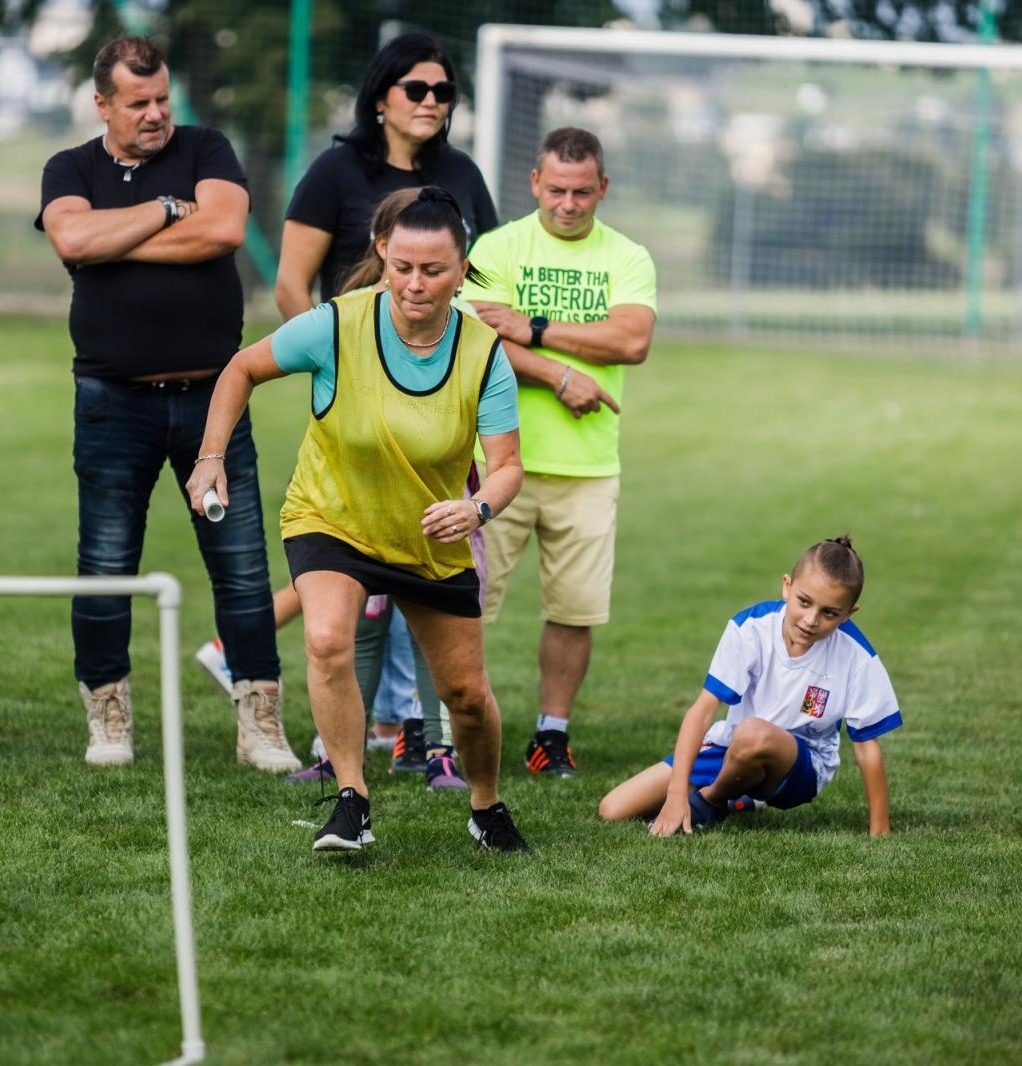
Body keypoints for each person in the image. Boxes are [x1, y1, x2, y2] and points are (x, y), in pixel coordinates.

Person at [186, 188, 531, 853]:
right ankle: (352, 799)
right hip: (331, 516)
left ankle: (486, 805)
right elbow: (242, 368)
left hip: (426, 536)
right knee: (325, 641)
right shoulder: (336, 325)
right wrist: (210, 458)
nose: (415, 283)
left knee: (465, 695)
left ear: (462, 270)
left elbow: (508, 465)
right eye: (402, 267)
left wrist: (476, 506)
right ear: (382, 255)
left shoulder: (484, 352)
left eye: (433, 270)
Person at [36, 34, 298, 772]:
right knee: (105, 563)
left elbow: (224, 229)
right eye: (138, 103)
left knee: (242, 566)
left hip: (215, 398)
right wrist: (164, 209)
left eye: (162, 100)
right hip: (112, 401)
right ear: (102, 104)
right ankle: (108, 716)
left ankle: (260, 722)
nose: (156, 114)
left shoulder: (206, 147)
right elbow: (71, 238)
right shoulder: (70, 168)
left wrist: (112, 240)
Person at [461, 127, 657, 778]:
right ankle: (451, 731)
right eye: (556, 191)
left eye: (582, 193)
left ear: (603, 188)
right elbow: (477, 340)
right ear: (534, 183)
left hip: (589, 467)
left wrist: (535, 327)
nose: (568, 205)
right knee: (463, 605)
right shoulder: (496, 248)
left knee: (574, 611)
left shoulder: (628, 257)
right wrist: (561, 373)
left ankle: (551, 736)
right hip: (494, 461)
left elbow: (631, 341)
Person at [598, 537, 901, 837]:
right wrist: (676, 795)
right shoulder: (751, 627)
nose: (811, 620)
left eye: (829, 613)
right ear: (787, 586)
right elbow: (702, 712)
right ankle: (738, 796)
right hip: (734, 745)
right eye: (804, 602)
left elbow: (866, 748)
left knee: (753, 733)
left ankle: (711, 801)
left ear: (849, 613)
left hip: (802, 767)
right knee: (613, 809)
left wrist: (880, 830)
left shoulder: (858, 657)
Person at [275, 31, 496, 318]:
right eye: (415, 90)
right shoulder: (334, 171)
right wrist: (328, 343)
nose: (430, 101)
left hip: (448, 344)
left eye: (442, 91)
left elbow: (493, 276)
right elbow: (290, 287)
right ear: (380, 99)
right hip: (355, 342)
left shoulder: (463, 171)